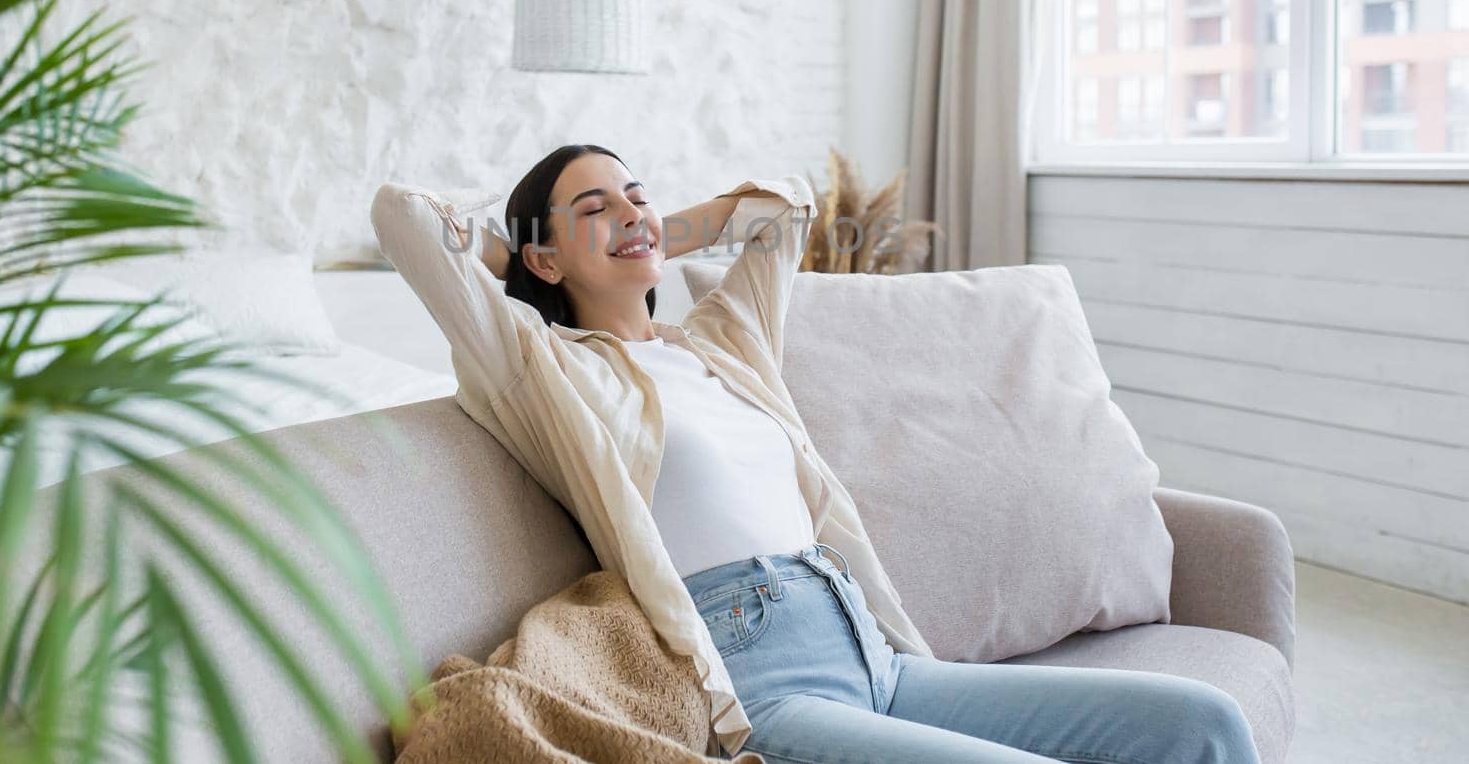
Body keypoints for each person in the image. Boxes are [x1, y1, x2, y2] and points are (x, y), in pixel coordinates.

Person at [369, 142, 1261, 764]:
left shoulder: (721, 342)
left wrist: (643, 228)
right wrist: (537, 255)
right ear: (545, 259)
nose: (631, 212)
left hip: (877, 657)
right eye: (594, 206)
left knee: (1205, 727)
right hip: (763, 685)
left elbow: (784, 208)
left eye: (637, 192)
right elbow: (406, 218)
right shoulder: (548, 370)